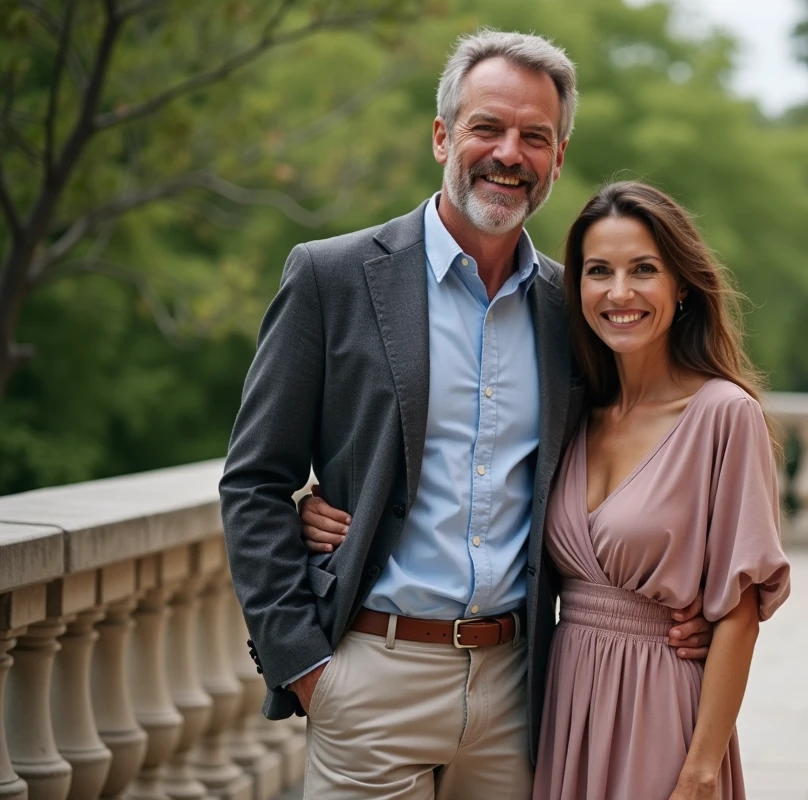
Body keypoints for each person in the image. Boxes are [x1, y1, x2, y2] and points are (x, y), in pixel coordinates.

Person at [219, 30, 712, 800]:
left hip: (522, 690)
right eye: (488, 127)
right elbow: (253, 482)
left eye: (535, 137)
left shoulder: (571, 308)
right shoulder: (332, 277)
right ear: (444, 134)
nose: (509, 153)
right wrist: (305, 666)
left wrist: (678, 609)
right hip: (371, 676)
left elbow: (627, 464)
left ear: (558, 154)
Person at [304, 181, 791, 799]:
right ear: (576, 288)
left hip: (659, 707)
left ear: (683, 285)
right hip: (560, 709)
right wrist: (317, 511)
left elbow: (740, 613)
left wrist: (699, 773)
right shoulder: (577, 408)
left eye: (644, 270)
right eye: (598, 271)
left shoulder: (725, 415)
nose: (620, 293)